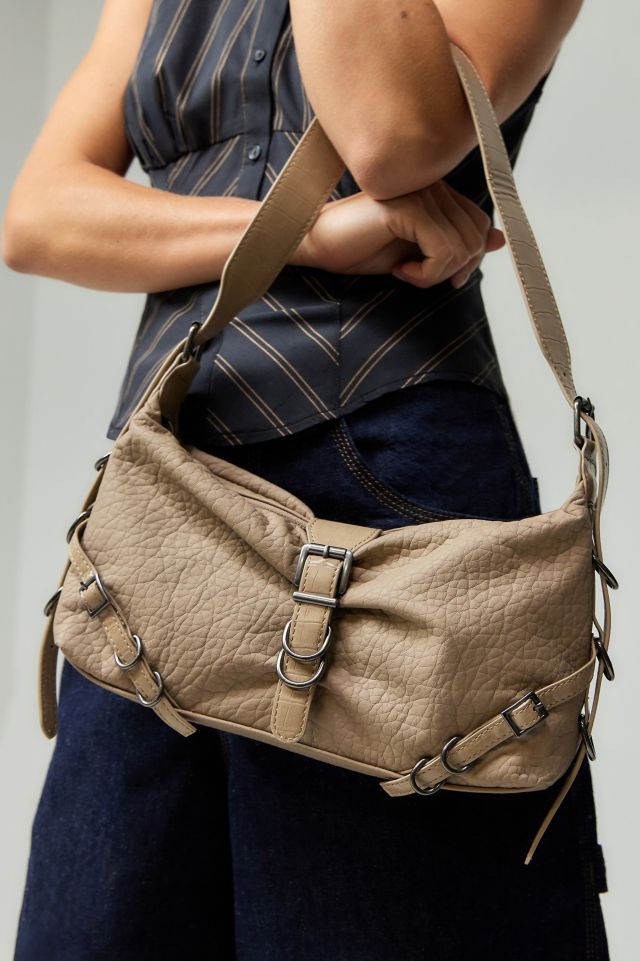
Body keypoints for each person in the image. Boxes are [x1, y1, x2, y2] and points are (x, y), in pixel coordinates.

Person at [3, 1, 609, 958]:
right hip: (157, 509)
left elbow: (390, 134)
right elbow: (37, 217)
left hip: (390, 483)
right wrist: (305, 233)